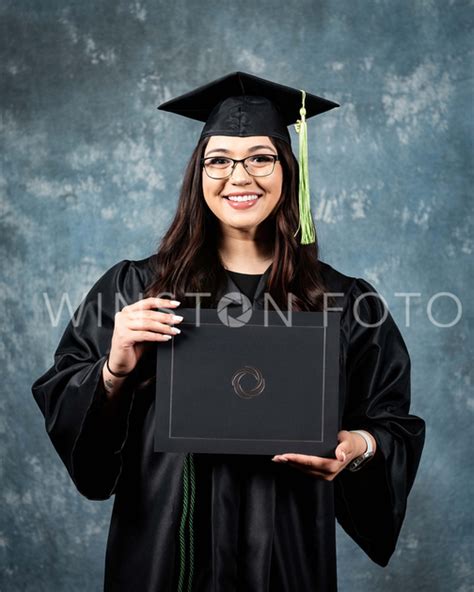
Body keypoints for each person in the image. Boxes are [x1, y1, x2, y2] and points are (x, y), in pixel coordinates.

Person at [32, 72, 425, 592]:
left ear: (289, 171)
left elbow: (391, 421)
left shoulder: (345, 300)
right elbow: (71, 414)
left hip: (286, 553)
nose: (240, 176)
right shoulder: (135, 286)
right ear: (199, 174)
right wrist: (113, 369)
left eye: (261, 157)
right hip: (164, 552)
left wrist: (360, 446)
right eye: (219, 160)